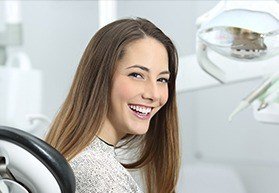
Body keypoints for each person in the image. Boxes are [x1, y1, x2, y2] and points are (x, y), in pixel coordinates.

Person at [45, 17, 180, 193]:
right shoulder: (99, 173)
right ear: (100, 78)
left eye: (162, 79)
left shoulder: (84, 160)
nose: (154, 94)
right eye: (137, 75)